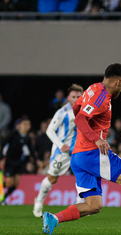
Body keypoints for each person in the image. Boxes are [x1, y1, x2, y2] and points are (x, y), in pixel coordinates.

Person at [42, 63, 121, 235]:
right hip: (91, 153)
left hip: (78, 156)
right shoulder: (101, 97)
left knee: (94, 205)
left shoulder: (93, 88)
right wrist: (95, 138)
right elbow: (81, 119)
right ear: (119, 82)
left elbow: (76, 109)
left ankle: (54, 218)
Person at [33, 84, 84, 217]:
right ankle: (38, 201)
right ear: (68, 97)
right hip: (62, 151)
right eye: (73, 96)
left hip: (79, 149)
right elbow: (50, 130)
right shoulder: (62, 113)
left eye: (79, 96)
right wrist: (60, 145)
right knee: (52, 178)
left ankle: (80, 201)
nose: (76, 99)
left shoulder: (86, 110)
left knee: (83, 173)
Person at [0, 118, 34, 205]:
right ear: (19, 126)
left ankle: (3, 199)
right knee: (9, 183)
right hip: (9, 161)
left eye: (28, 125)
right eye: (25, 124)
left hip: (19, 162)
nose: (27, 126)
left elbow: (30, 150)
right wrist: (2, 158)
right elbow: (3, 143)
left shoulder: (27, 138)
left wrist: (35, 160)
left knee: (15, 184)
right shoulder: (13, 134)